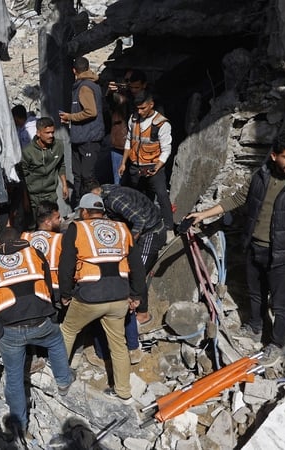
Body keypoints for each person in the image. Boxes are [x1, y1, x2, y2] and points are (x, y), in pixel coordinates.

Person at [186, 131, 285, 367]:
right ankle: (254, 327)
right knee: (255, 293)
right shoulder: (261, 175)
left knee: (281, 303)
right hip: (255, 246)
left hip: (284, 254)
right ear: (274, 156)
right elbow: (238, 198)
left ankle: (276, 343)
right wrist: (204, 214)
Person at [0, 227, 72, 436]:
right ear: (21, 240)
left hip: (9, 329)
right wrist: (51, 313)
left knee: (13, 375)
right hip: (40, 322)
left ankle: (19, 425)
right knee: (56, 342)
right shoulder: (34, 253)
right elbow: (49, 284)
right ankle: (63, 383)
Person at [58, 193, 136, 404]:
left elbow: (66, 264)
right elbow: (135, 263)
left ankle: (60, 377)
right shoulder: (121, 228)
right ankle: (123, 391)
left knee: (68, 330)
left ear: (84, 212)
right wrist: (136, 294)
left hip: (89, 296)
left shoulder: (78, 227)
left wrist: (65, 294)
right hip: (119, 295)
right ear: (102, 212)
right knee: (118, 344)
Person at [83, 181, 165, 366]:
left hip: (150, 234)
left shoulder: (114, 199)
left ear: (95, 193)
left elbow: (140, 221)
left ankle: (142, 314)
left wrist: (127, 242)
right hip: (144, 231)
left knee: (138, 274)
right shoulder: (108, 193)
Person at [119, 90, 175, 236]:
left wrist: (157, 167)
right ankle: (142, 224)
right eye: (137, 108)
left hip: (153, 167)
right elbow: (129, 141)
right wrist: (123, 163)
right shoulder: (133, 119)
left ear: (151, 105)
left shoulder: (161, 124)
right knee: (138, 197)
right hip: (135, 167)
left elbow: (166, 149)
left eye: (143, 108)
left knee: (162, 195)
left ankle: (169, 228)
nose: (140, 111)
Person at [59, 56, 104, 203]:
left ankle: (94, 205)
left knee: (87, 176)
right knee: (78, 175)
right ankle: (79, 205)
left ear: (74, 70)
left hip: (89, 138)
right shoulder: (84, 85)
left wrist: (70, 117)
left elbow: (91, 111)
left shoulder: (85, 87)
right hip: (81, 137)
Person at [18, 117, 68, 215]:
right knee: (33, 226)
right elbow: (22, 177)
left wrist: (64, 185)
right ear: (38, 133)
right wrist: (25, 199)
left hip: (50, 195)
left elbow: (61, 165)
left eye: (52, 132)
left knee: (52, 223)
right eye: (47, 133)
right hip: (33, 196)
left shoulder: (58, 145)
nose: (51, 135)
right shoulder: (28, 152)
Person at [106, 70, 147, 184]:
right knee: (118, 178)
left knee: (138, 180)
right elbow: (111, 100)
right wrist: (110, 92)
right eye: (127, 81)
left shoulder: (146, 99)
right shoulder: (120, 97)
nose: (130, 85)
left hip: (139, 145)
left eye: (133, 82)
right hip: (120, 143)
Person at [20, 200, 63, 302]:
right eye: (57, 218)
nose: (60, 220)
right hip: (55, 287)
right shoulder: (60, 239)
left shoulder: (25, 237)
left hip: (32, 289)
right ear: (47, 222)